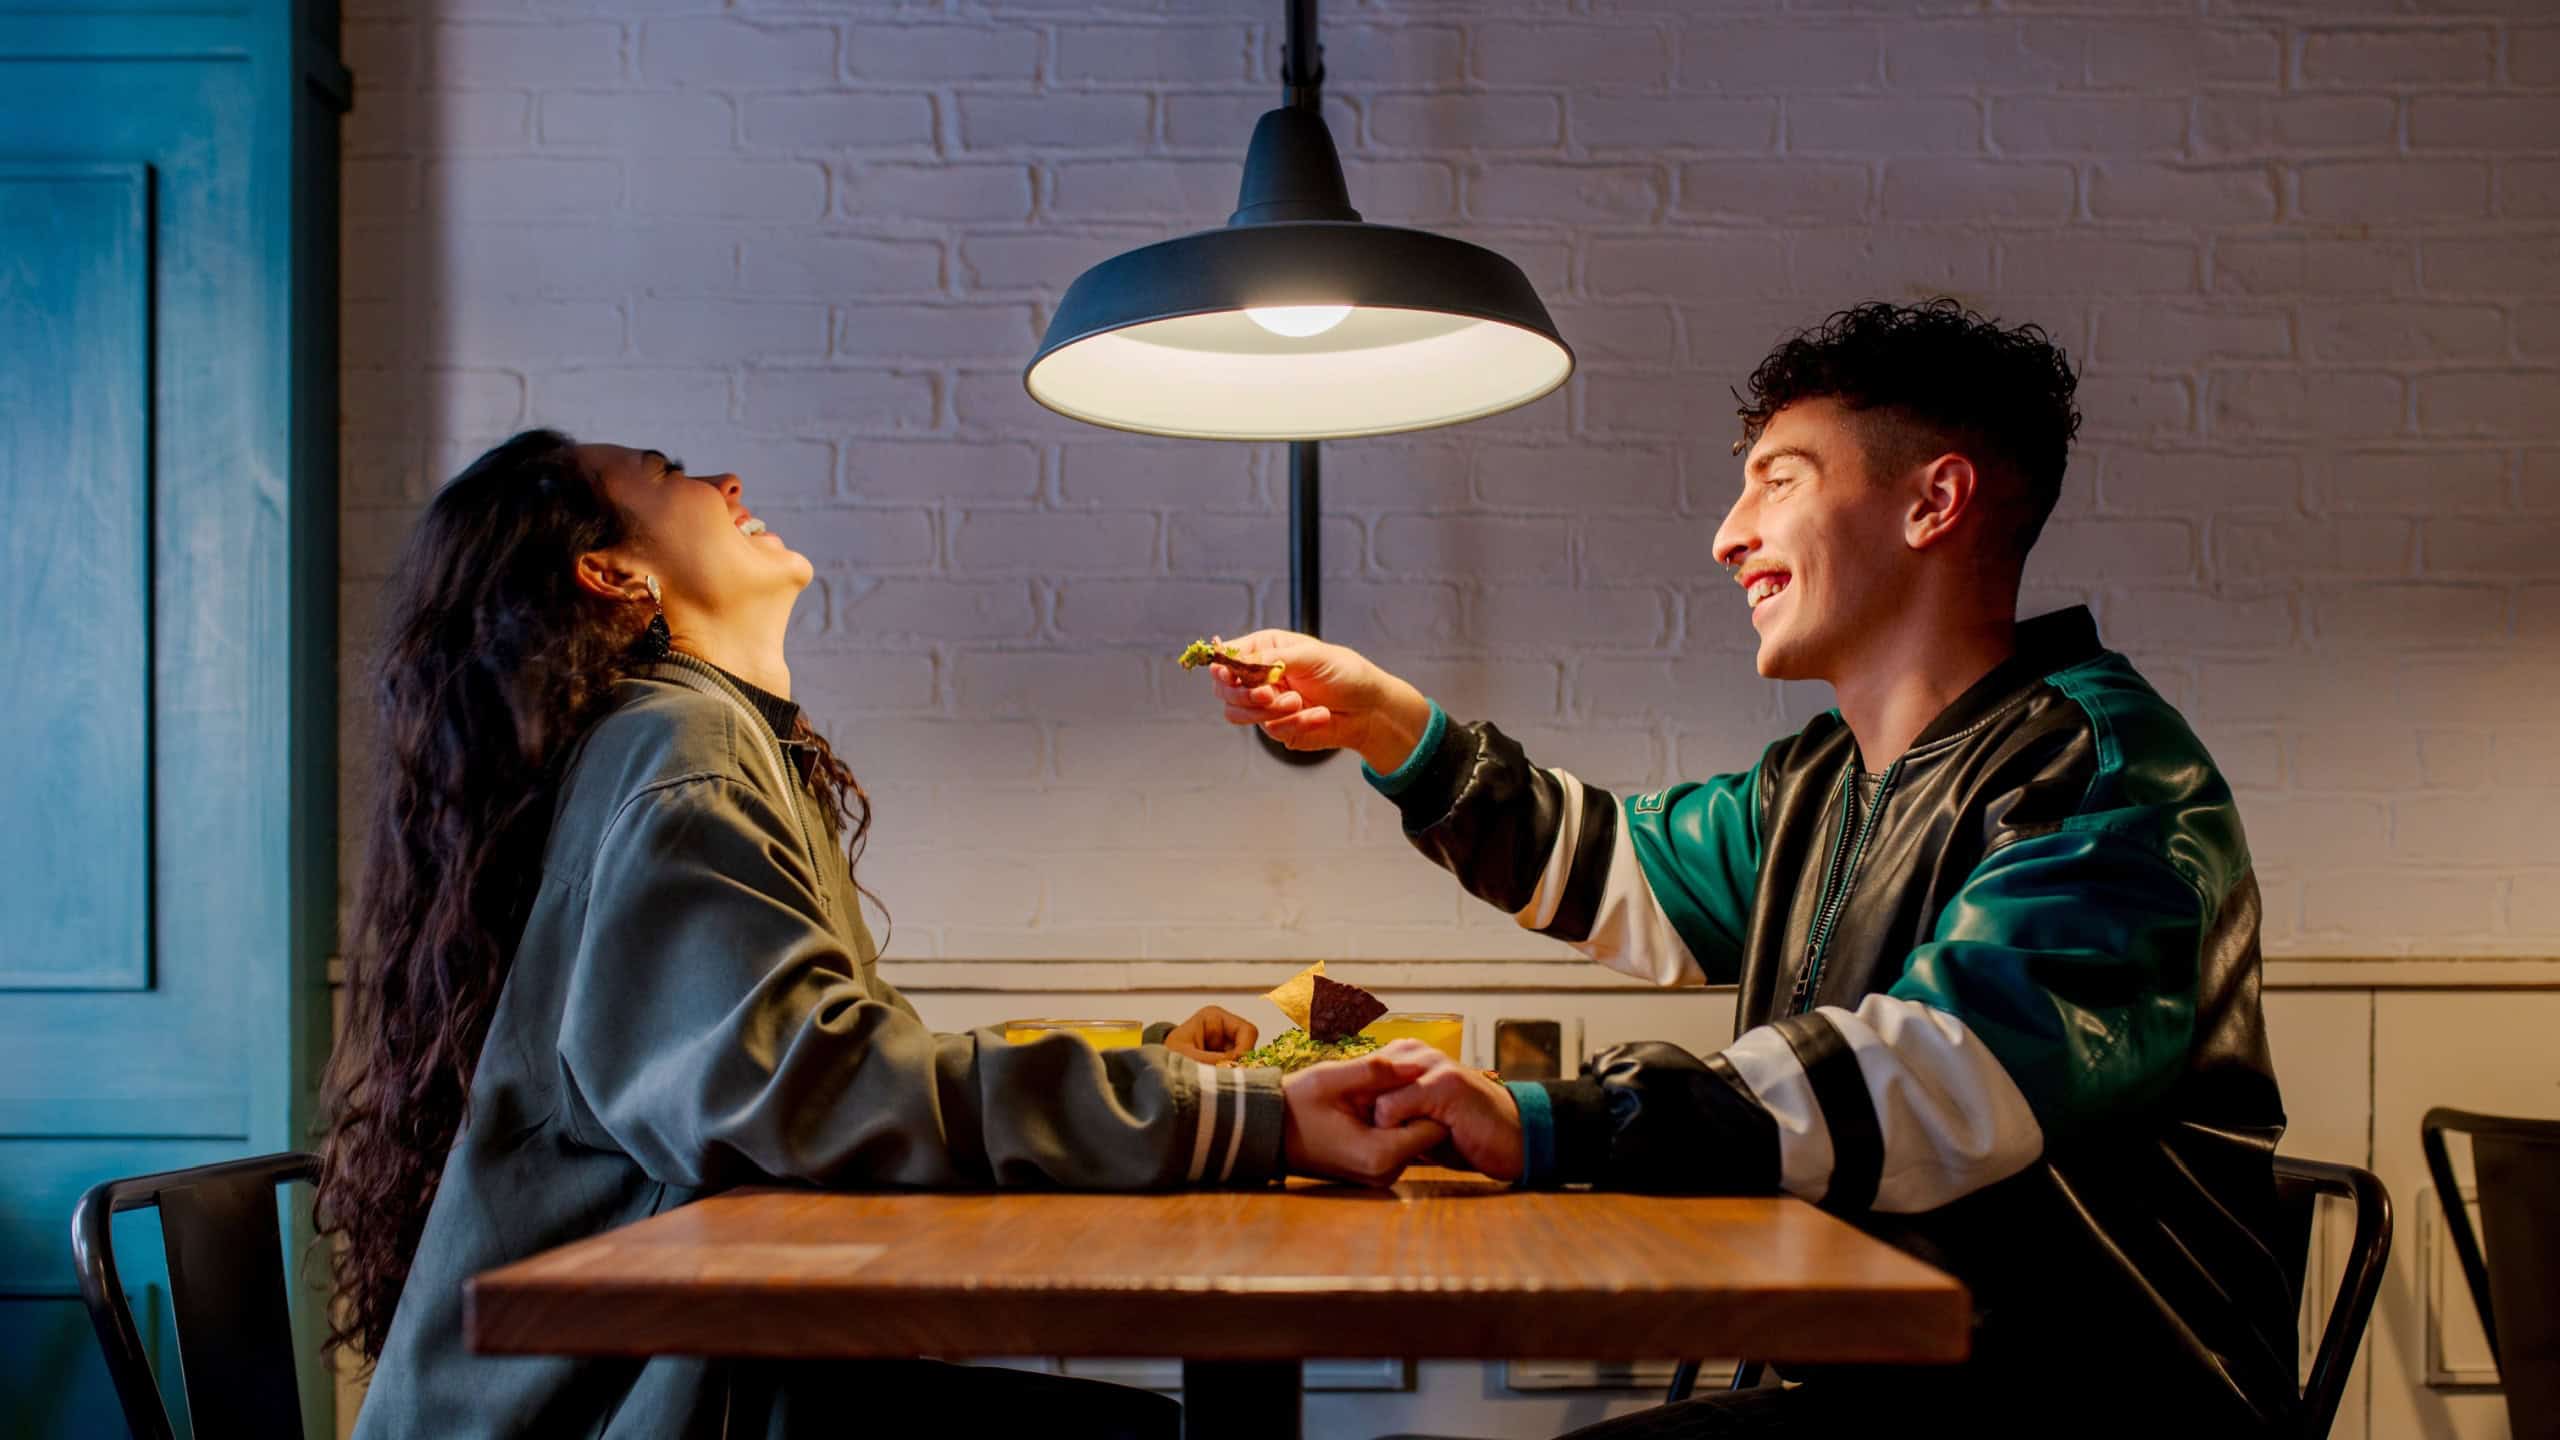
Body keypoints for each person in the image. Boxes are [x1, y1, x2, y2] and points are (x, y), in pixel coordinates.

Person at [1205, 301, 2297, 1437]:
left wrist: (1550, 1123)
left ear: (1934, 501)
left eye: (1778, 481)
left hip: (2080, 1410)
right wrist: (1388, 723)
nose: (1728, 536)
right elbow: (1614, 867)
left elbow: (1935, 1076)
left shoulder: (2098, 770)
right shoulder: (1825, 780)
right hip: (1895, 1391)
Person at [317, 430, 1446, 1440]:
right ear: (615, 572)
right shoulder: (683, 750)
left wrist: (1156, 1067)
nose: (727, 477)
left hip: (679, 1381)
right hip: (631, 1405)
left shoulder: (706, 743)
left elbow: (831, 1066)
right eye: (669, 477)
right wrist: (1229, 1121)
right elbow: (821, 1088)